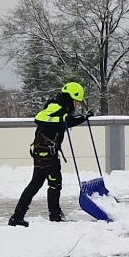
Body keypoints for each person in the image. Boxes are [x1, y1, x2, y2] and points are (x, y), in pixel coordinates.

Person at [9, 81, 89, 226]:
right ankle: (55, 216)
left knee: (35, 185)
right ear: (70, 98)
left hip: (41, 154)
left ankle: (17, 216)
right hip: (47, 156)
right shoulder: (57, 109)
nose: (77, 105)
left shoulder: (56, 107)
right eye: (77, 102)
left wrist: (83, 117)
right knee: (55, 184)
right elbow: (42, 118)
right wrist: (72, 118)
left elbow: (65, 122)